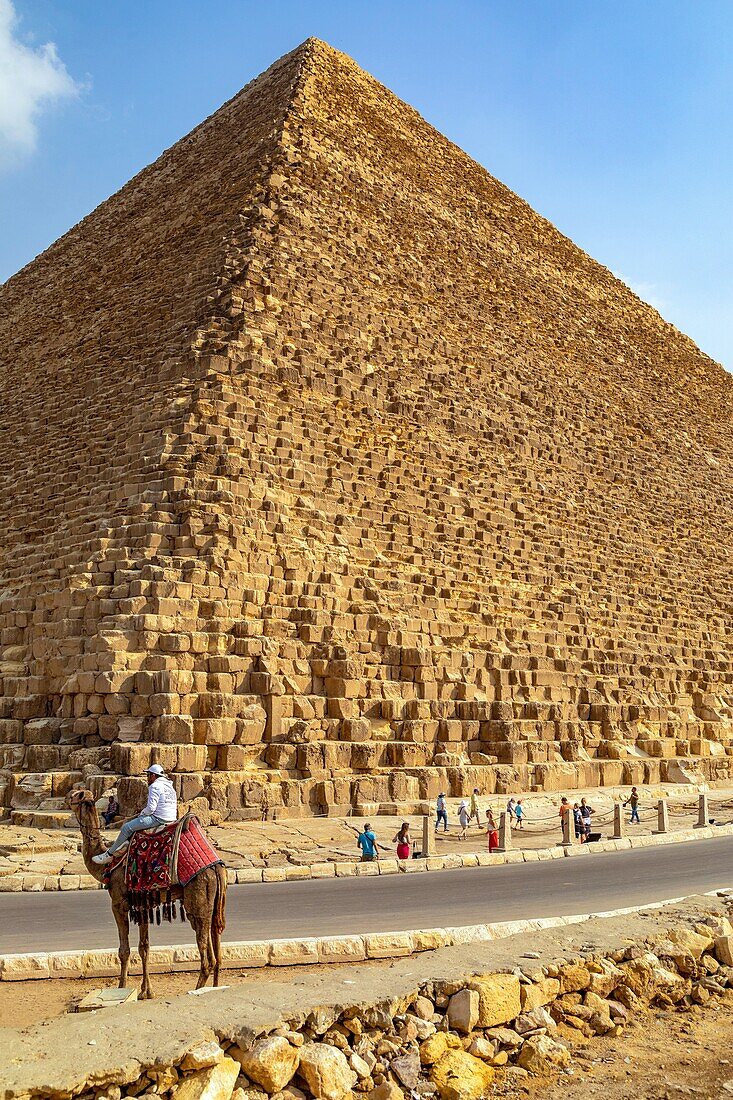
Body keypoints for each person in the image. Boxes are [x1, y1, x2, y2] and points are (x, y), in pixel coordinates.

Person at [92, 764, 178, 864]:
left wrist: (142, 813)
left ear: (154, 775)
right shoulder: (170, 787)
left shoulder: (155, 786)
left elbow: (151, 808)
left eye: (148, 775)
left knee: (126, 828)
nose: (147, 778)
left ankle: (109, 855)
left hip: (158, 819)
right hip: (171, 818)